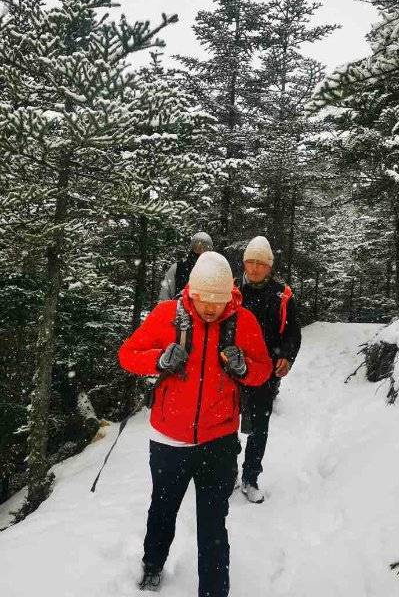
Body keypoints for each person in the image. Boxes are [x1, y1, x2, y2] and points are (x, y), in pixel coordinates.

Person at [118, 251, 272, 595]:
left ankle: (214, 590)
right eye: (205, 300)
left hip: (218, 441)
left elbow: (262, 370)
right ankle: (153, 565)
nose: (211, 309)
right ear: (192, 291)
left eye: (219, 301)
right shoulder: (167, 316)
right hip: (169, 440)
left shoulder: (242, 321)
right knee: (162, 509)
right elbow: (127, 355)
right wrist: (158, 359)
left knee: (214, 524)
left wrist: (244, 367)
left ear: (229, 295)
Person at [237, 236, 302, 503]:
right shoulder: (230, 291)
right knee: (226, 426)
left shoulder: (281, 295)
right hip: (231, 371)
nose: (254, 268)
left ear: (269, 266)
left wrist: (286, 356)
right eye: (249, 262)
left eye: (260, 264)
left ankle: (250, 477)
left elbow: (292, 332)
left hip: (265, 373)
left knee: (259, 427)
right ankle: (227, 469)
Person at [159, 231, 213, 301]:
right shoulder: (178, 267)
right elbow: (165, 294)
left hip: (209, 309)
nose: (201, 250)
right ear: (192, 247)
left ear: (210, 249)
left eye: (205, 247)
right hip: (180, 309)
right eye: (197, 247)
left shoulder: (215, 269)